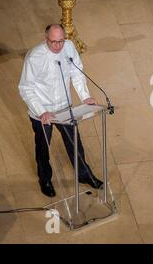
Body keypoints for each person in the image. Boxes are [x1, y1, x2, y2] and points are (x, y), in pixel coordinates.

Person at [19, 24, 103, 197]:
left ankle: (84, 175)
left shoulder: (69, 47)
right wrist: (41, 111)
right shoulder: (35, 57)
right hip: (42, 113)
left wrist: (85, 97)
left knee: (75, 143)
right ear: (46, 39)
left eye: (61, 41)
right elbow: (25, 87)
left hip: (64, 107)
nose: (58, 46)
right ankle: (45, 180)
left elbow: (77, 72)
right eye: (53, 42)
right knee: (43, 147)